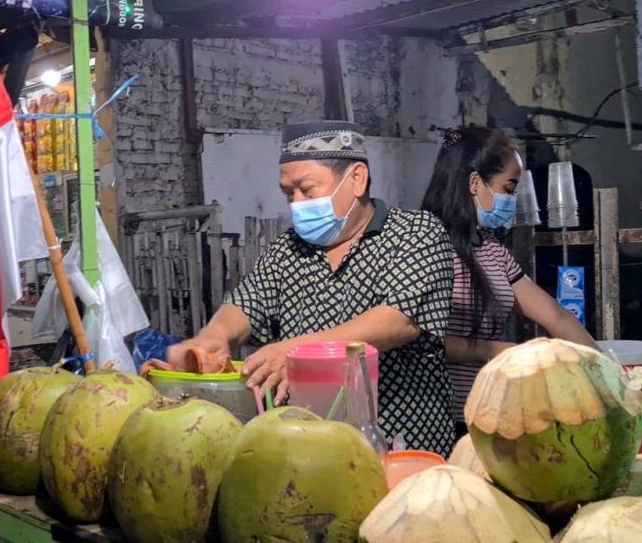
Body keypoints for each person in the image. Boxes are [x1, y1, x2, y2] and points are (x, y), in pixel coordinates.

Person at [166, 120, 458, 455]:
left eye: (307, 189)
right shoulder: (288, 249)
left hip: (400, 444)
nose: (297, 203)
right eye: (288, 194)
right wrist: (214, 336)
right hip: (309, 451)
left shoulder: (415, 233)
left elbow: (397, 322)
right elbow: (245, 304)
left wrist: (294, 352)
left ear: (357, 178)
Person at [421, 127, 598, 434]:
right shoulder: (424, 246)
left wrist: (603, 370)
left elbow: (556, 316)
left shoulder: (492, 250)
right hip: (440, 417)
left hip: (490, 414)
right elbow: (419, 338)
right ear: (475, 183)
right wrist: (492, 350)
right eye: (509, 188)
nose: (512, 200)